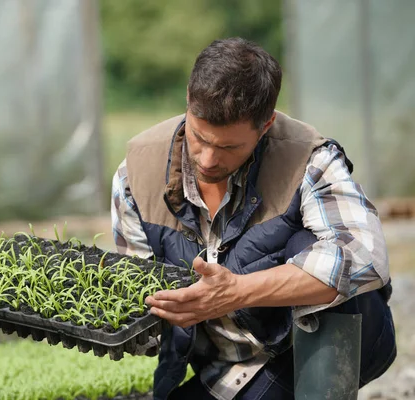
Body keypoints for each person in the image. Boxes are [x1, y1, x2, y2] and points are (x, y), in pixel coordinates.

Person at [110, 37, 396, 400]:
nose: (209, 159)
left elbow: (367, 255)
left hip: (310, 348)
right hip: (227, 372)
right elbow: (139, 291)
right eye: (199, 138)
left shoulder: (307, 158)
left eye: (229, 147)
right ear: (188, 99)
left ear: (265, 125)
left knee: (313, 247)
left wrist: (236, 292)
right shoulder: (136, 175)